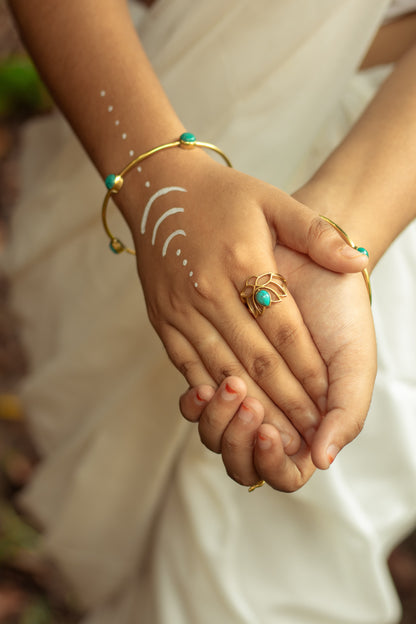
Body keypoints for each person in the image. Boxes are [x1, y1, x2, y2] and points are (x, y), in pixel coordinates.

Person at [5, 0, 416, 622]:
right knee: (129, 470)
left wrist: (335, 240)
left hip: (389, 163)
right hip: (142, 93)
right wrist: (159, 185)